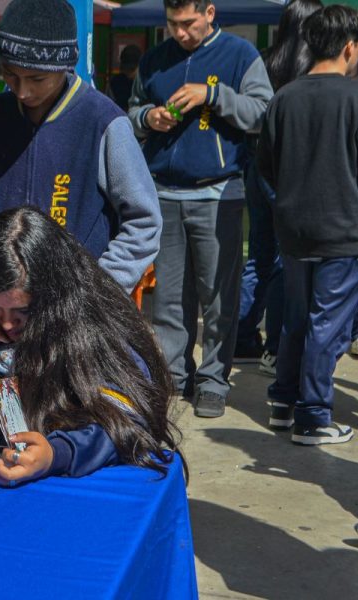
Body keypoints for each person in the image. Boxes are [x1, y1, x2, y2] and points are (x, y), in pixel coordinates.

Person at [0, 207, 179, 484]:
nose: (6, 325)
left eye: (23, 312)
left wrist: (57, 453)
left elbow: (129, 421)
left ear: (55, 300)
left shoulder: (95, 330)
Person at [128, 0, 273, 418]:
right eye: (172, 24)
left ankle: (212, 380)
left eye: (188, 23)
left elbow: (262, 113)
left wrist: (212, 94)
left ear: (210, 13)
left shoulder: (240, 55)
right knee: (170, 297)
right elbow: (131, 110)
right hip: (165, 193)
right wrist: (147, 118)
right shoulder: (156, 60)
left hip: (218, 193)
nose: (180, 32)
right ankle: (174, 374)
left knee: (217, 296)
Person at [0, 0, 160, 292]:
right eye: (10, 73)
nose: (22, 91)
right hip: (5, 304)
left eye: (37, 78)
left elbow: (144, 222)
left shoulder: (103, 121)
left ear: (65, 65)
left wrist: (99, 291)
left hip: (79, 308)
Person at [258, 4, 358, 445]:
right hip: (345, 230)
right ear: (350, 47)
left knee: (297, 320)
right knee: (328, 325)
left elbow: (267, 165)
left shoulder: (285, 97)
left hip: (294, 227)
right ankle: (314, 416)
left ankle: (284, 401)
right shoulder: (357, 98)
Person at [234, 0, 322, 375]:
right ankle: (275, 346)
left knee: (259, 255)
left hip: (257, 166)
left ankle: (241, 336)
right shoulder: (315, 67)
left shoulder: (265, 59)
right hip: (292, 174)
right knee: (288, 264)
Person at [108, 44, 142, 111]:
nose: (129, 74)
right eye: (126, 69)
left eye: (132, 69)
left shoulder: (145, 83)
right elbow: (109, 105)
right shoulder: (115, 83)